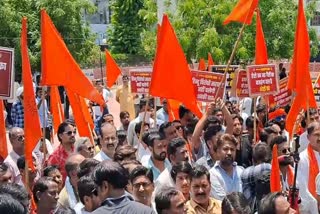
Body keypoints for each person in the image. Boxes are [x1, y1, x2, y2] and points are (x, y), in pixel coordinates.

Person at [209, 134, 244, 200]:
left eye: (232, 149)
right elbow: (223, 201)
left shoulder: (241, 171)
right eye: (225, 149)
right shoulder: (212, 174)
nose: (229, 153)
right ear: (217, 151)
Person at [297, 121, 320, 213]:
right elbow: (302, 188)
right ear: (308, 137)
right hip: (313, 206)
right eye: (316, 134)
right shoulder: (302, 159)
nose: (319, 138)